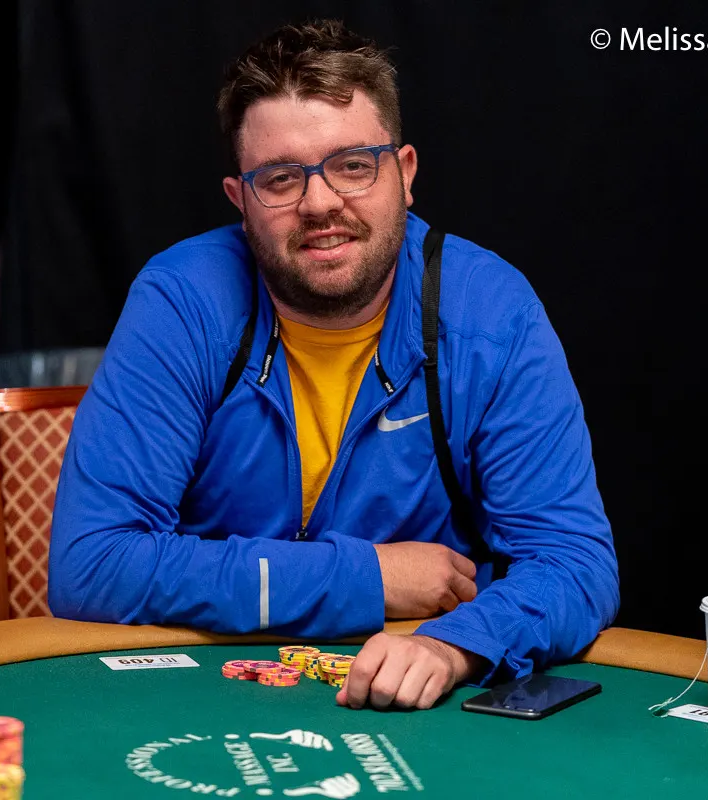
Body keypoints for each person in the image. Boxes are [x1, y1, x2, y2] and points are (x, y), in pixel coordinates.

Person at [48, 19, 620, 711]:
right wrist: (368, 578)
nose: (319, 203)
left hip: (419, 700)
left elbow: (574, 563)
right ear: (240, 200)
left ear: (404, 173)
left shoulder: (493, 314)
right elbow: (92, 565)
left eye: (353, 165)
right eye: (280, 178)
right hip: (202, 690)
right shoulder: (182, 301)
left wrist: (455, 646)